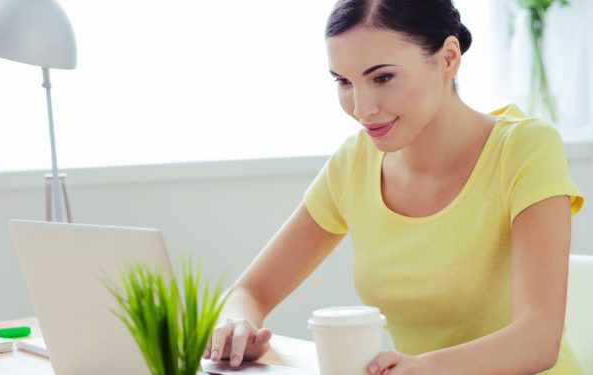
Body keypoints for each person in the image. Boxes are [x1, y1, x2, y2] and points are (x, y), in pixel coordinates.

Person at [204, 0, 585, 374]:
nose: (362, 107)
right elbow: (249, 292)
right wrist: (236, 325)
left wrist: (425, 368)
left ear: (448, 58)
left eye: (382, 77)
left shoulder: (525, 148)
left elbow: (538, 338)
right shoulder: (354, 163)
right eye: (344, 82)